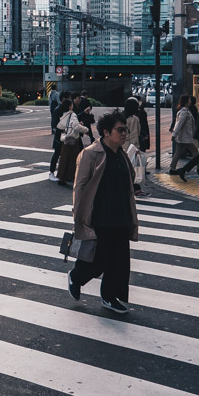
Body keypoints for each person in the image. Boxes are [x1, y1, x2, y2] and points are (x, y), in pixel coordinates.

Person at [67, 110, 138, 315]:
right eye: (120, 130)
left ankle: (111, 296)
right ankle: (76, 276)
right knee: (99, 260)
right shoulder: (91, 153)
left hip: (121, 216)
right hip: (100, 216)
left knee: (120, 261)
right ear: (106, 132)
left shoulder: (122, 154)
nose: (124, 133)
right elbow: (79, 187)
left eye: (125, 130)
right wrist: (79, 217)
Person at [56, 100, 88, 186]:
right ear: (70, 106)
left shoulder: (64, 114)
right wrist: (86, 129)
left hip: (65, 140)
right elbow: (76, 126)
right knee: (74, 159)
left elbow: (61, 126)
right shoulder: (72, 114)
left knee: (64, 159)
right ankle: (71, 176)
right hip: (73, 140)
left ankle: (62, 178)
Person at [124, 97, 148, 197]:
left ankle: (130, 188)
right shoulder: (134, 119)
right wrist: (136, 149)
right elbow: (134, 136)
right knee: (134, 168)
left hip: (123, 145)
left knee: (127, 168)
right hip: (131, 146)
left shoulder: (123, 117)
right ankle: (136, 189)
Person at [169, 94, 199, 175]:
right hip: (185, 137)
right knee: (196, 152)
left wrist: (175, 134)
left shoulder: (183, 111)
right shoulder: (184, 112)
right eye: (189, 100)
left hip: (182, 137)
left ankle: (172, 168)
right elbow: (179, 124)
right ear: (186, 102)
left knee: (178, 153)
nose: (190, 101)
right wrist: (174, 134)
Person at [49, 97, 71, 181]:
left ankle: (63, 173)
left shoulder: (65, 111)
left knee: (62, 155)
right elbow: (55, 124)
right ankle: (52, 172)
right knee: (57, 154)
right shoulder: (58, 110)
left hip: (63, 136)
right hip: (60, 137)